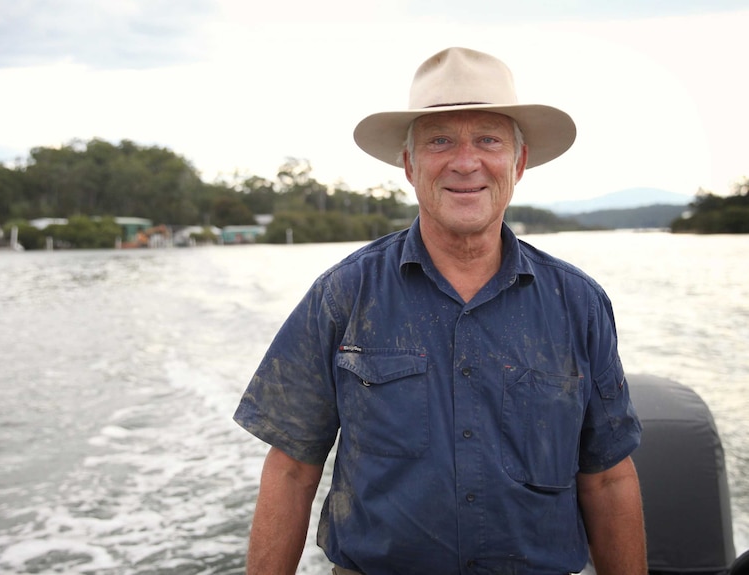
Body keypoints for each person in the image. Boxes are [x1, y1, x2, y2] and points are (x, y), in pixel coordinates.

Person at [234, 47, 646, 575]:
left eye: (488, 140)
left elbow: (608, 476)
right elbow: (292, 469)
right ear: (409, 164)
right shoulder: (344, 294)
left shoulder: (579, 303)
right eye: (440, 141)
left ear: (518, 163)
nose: (466, 161)